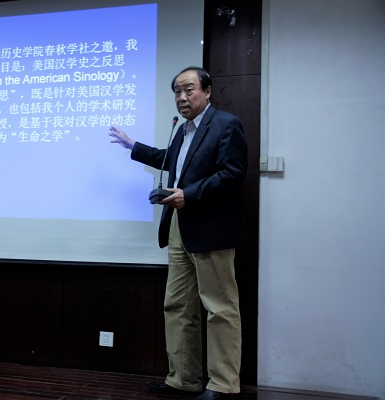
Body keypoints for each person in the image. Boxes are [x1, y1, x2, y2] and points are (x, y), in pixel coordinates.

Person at [108, 66, 247, 400]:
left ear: (208, 91)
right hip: (178, 227)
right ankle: (183, 379)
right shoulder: (183, 130)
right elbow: (169, 160)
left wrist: (190, 195)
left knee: (220, 308)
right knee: (178, 306)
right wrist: (132, 145)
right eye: (177, 92)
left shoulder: (226, 124)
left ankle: (223, 385)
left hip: (211, 230)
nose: (182, 97)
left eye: (189, 89)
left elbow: (232, 174)